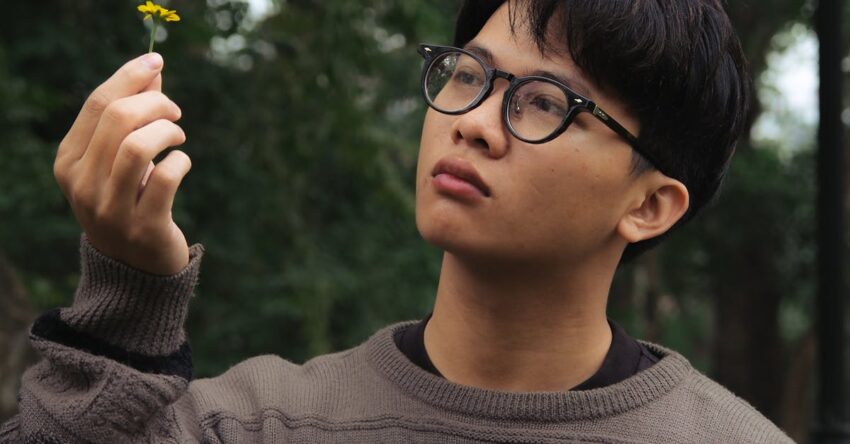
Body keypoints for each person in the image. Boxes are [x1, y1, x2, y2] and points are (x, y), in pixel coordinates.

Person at [1, 0, 795, 442]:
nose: (475, 121)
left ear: (649, 205)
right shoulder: (251, 424)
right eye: (470, 74)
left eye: (546, 103)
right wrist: (127, 299)